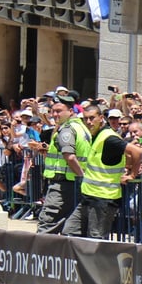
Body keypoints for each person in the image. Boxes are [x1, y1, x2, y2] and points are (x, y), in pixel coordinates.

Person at [63, 103, 142, 239]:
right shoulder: (96, 136)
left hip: (103, 199)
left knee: (96, 238)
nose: (88, 122)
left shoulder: (108, 137)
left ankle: (98, 260)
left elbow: (137, 152)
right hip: (89, 196)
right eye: (85, 119)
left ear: (101, 118)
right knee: (69, 232)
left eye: (92, 118)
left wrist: (132, 175)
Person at [36, 96, 92, 234]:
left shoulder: (67, 129)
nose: (55, 114)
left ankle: (40, 255)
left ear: (71, 111)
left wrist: (82, 177)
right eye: (53, 111)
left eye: (59, 111)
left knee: (47, 225)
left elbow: (70, 156)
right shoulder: (81, 128)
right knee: (71, 229)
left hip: (63, 185)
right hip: (73, 184)